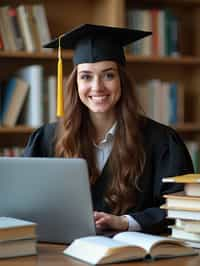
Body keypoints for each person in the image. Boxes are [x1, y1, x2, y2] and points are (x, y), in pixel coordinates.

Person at [23, 24, 193, 234]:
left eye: (108, 75)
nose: (97, 87)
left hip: (135, 257)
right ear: (75, 83)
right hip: (62, 254)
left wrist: (126, 222)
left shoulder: (161, 141)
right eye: (86, 76)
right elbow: (27, 206)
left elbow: (182, 210)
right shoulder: (46, 139)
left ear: (122, 79)